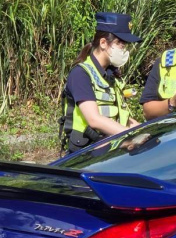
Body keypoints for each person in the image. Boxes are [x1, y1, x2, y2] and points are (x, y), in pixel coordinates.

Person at [59, 12, 142, 154]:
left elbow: (123, 118)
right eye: (120, 43)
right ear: (103, 43)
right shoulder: (81, 74)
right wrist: (130, 137)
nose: (124, 49)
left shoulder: (111, 75)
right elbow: (94, 119)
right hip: (87, 155)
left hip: (111, 149)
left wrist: (146, 130)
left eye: (125, 45)